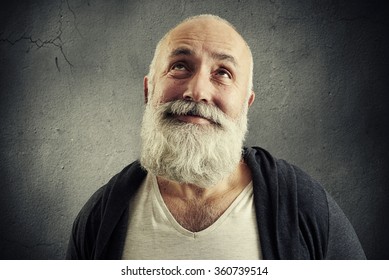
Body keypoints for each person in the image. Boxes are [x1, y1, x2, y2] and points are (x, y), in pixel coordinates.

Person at [66, 14, 366, 260]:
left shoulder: (305, 206)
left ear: (245, 104)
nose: (197, 92)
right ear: (149, 91)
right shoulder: (102, 215)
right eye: (180, 66)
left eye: (223, 73)